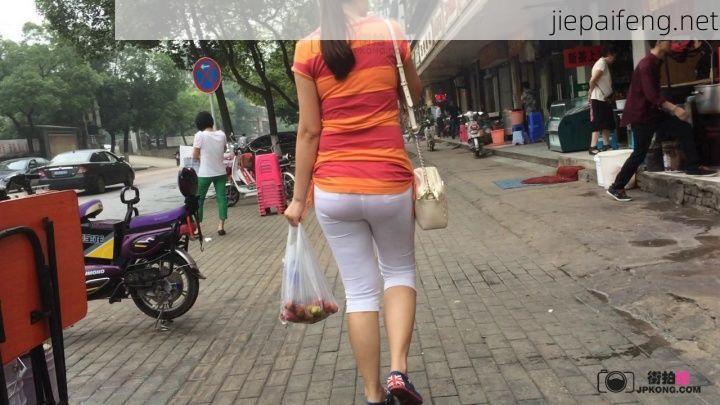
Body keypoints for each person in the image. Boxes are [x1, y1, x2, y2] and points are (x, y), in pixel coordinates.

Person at [284, 1, 423, 404]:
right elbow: (414, 95)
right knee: (399, 272)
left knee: (360, 293)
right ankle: (398, 371)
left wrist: (297, 199)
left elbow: (309, 130)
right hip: (388, 181)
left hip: (334, 188)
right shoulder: (390, 33)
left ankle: (373, 394)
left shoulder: (307, 48)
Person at [607, 40, 717, 202]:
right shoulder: (646, 65)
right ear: (659, 42)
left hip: (652, 113)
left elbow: (679, 56)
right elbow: (652, 96)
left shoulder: (657, 60)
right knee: (639, 153)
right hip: (642, 115)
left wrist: (694, 45)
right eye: (668, 41)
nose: (671, 43)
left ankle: (693, 167)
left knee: (683, 128)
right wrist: (675, 109)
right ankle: (616, 186)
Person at [192, 111, 229, 235]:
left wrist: (202, 158)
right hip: (220, 172)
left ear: (199, 123)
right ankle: (221, 226)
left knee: (199, 200)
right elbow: (224, 149)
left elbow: (195, 155)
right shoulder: (222, 134)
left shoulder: (199, 135)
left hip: (205, 173)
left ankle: (197, 228)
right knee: (221, 198)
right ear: (211, 121)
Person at [588, 45, 618, 155]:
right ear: (610, 55)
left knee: (606, 123)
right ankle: (593, 147)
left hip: (603, 98)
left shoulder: (602, 63)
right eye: (614, 57)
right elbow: (593, 80)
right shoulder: (601, 64)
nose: (614, 59)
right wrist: (590, 92)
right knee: (598, 122)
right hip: (598, 98)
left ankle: (606, 145)